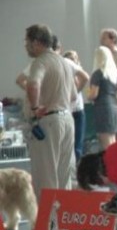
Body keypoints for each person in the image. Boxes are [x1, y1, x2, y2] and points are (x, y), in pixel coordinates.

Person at [23, 24, 77, 202]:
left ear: (37, 42)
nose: (26, 46)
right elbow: (74, 96)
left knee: (45, 177)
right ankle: (63, 222)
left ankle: (46, 226)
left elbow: (33, 84)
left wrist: (34, 108)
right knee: (64, 177)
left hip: (49, 122)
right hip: (67, 120)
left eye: (27, 42)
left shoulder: (40, 62)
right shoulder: (64, 62)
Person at [87, 46, 117, 150]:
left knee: (106, 144)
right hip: (114, 108)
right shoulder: (114, 74)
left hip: (102, 109)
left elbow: (94, 94)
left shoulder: (98, 74)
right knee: (113, 141)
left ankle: (110, 165)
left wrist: (88, 96)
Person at [63, 50, 90, 160]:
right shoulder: (64, 72)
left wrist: (77, 90)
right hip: (67, 110)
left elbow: (82, 83)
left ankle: (78, 167)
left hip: (78, 110)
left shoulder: (79, 72)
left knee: (78, 144)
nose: (72, 60)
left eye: (74, 58)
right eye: (69, 58)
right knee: (68, 143)